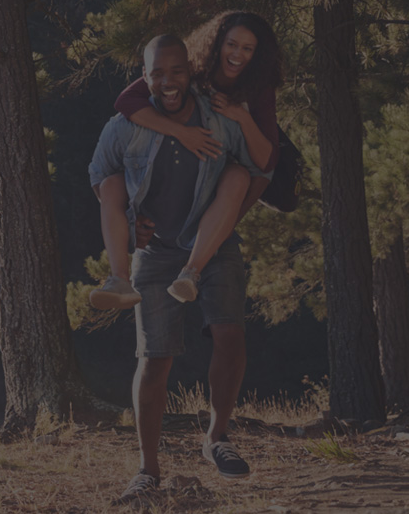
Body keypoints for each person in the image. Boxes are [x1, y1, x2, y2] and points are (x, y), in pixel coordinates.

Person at [88, 35, 270, 503]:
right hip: (157, 250)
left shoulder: (218, 119)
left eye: (175, 71)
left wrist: (230, 218)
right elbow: (100, 177)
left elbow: (259, 170)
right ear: (143, 76)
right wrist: (132, 224)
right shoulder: (125, 126)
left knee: (231, 336)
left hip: (214, 246)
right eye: (156, 74)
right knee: (154, 360)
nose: (167, 82)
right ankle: (147, 469)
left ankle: (217, 439)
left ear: (190, 70)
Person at [89, 11, 283, 310]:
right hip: (163, 216)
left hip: (215, 189)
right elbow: (126, 102)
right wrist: (183, 133)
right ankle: (119, 279)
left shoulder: (257, 88)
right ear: (216, 44)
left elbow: (265, 164)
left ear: (257, 54)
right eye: (232, 44)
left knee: (239, 176)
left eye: (247, 48)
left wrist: (241, 115)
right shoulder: (184, 67)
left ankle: (191, 271)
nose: (237, 54)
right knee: (111, 182)